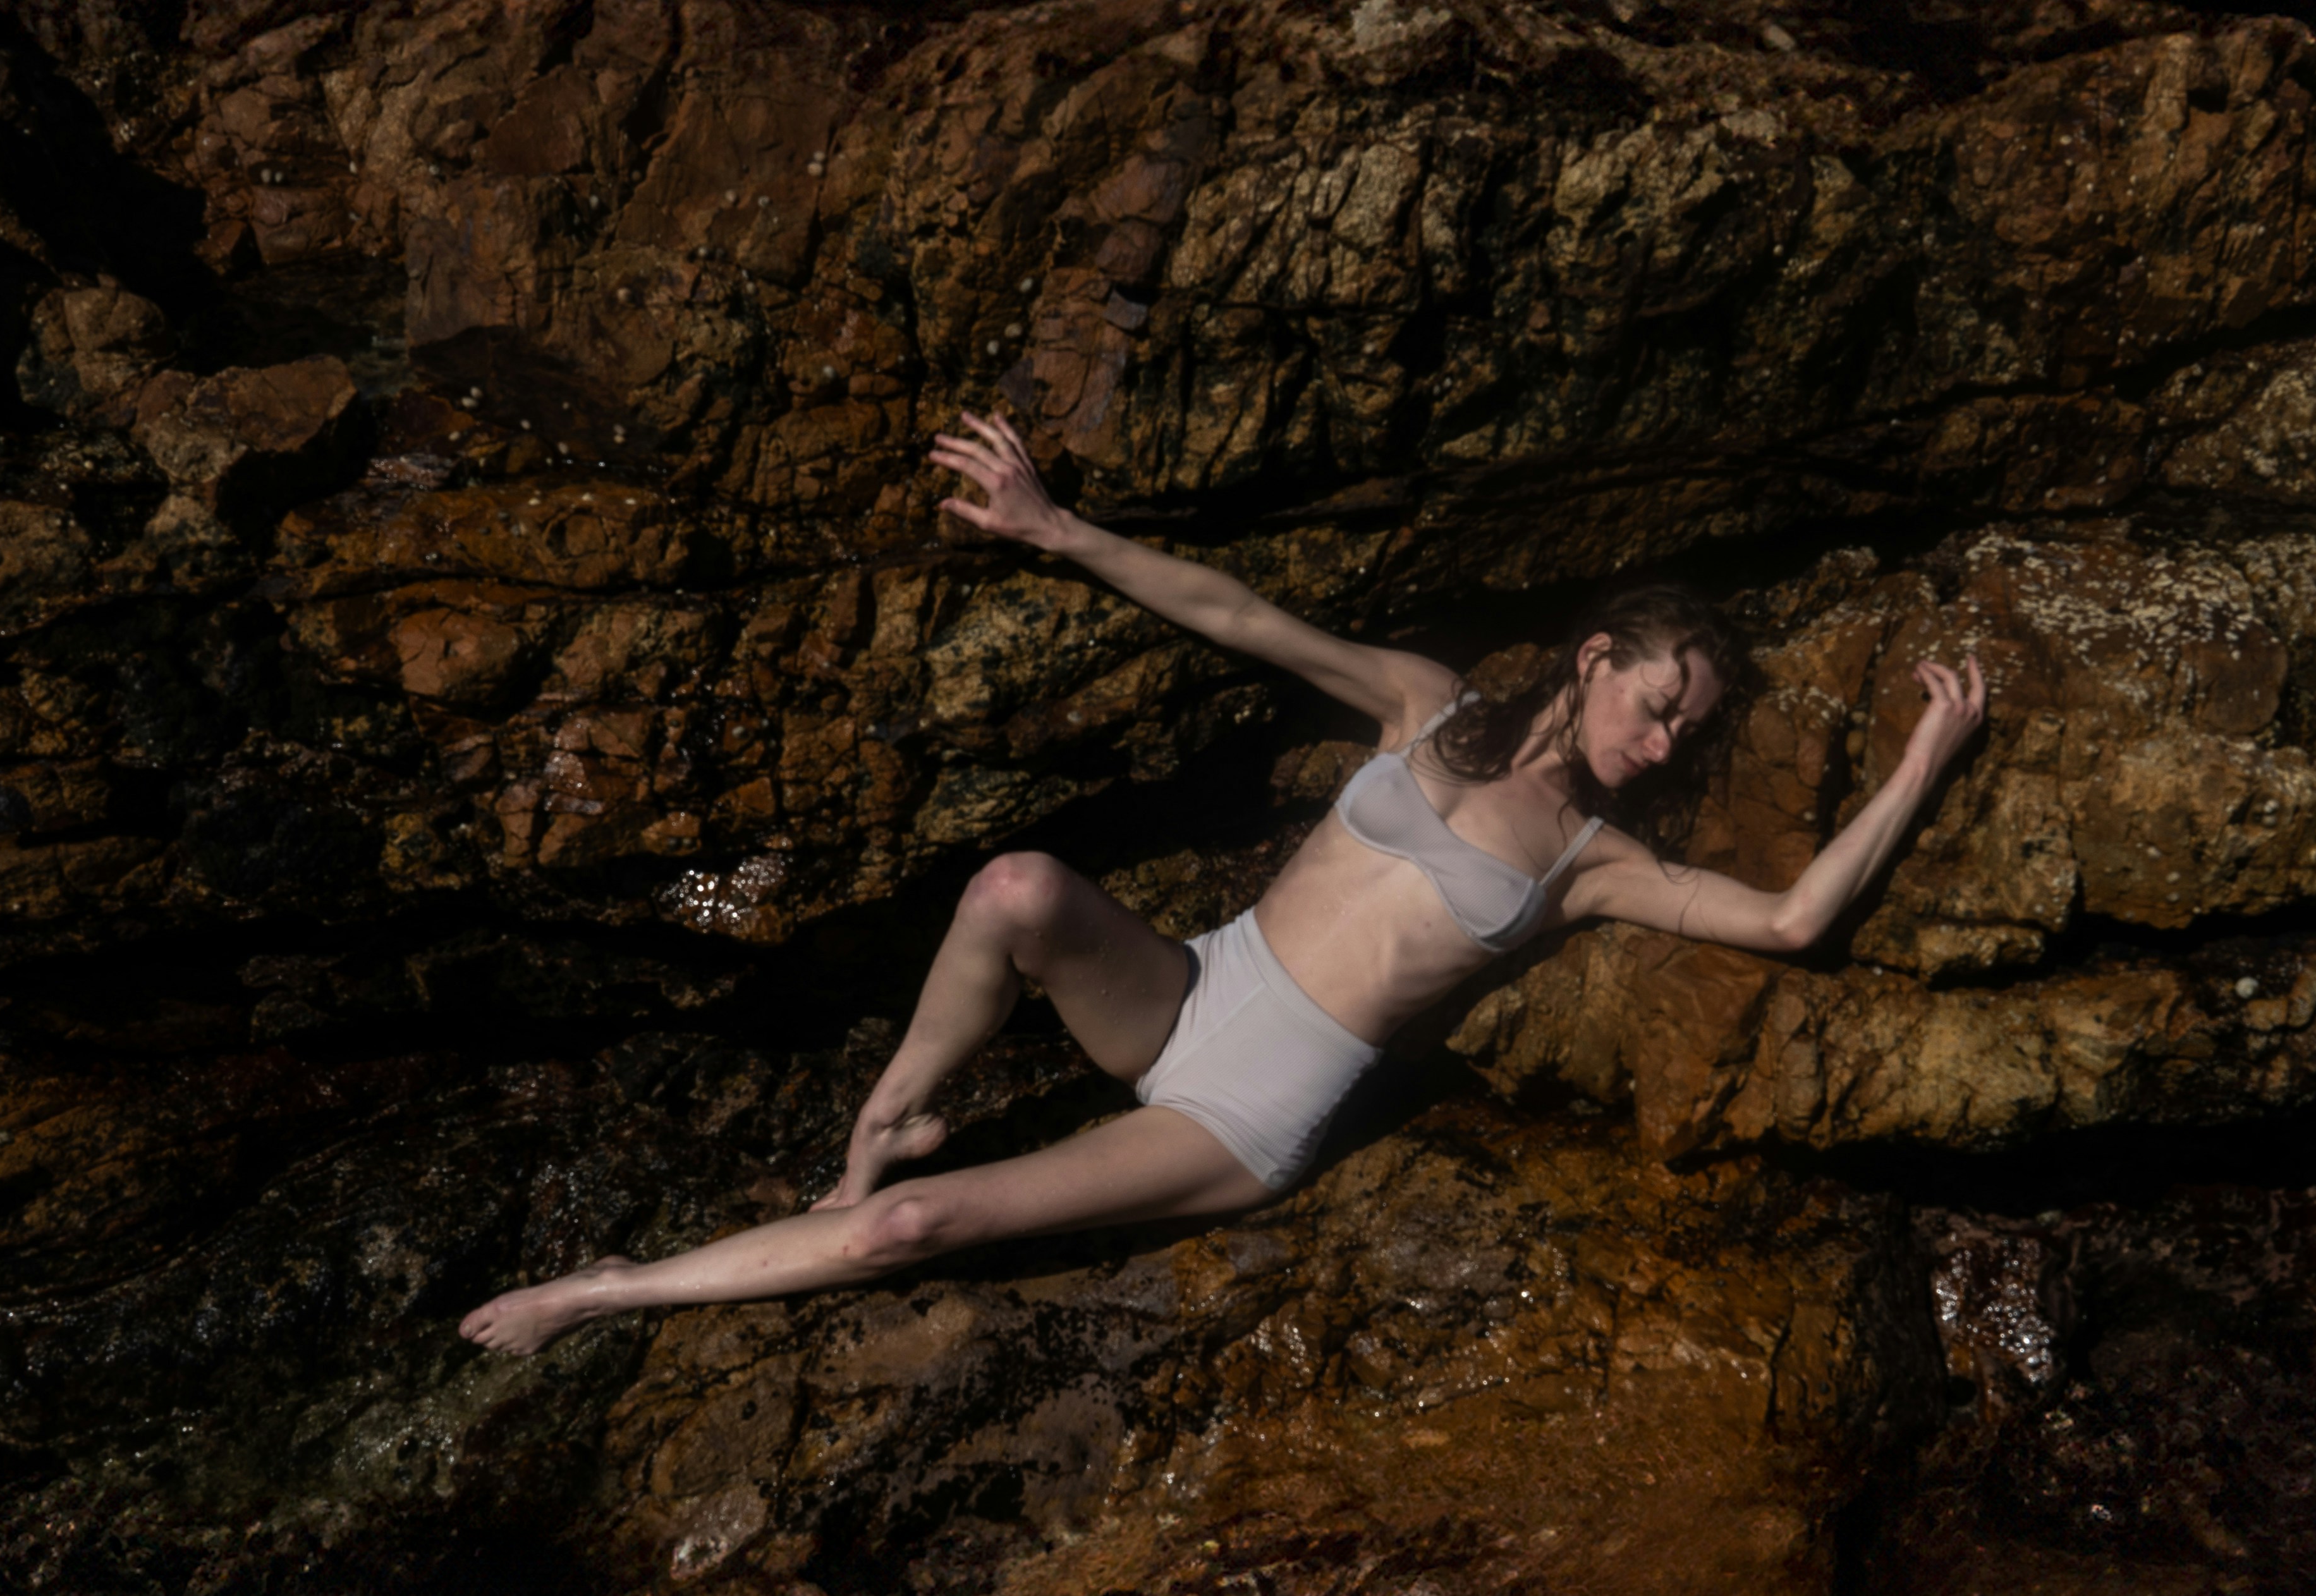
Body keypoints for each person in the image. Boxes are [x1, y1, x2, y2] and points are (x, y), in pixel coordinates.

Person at [460, 413, 1985, 1355]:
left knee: (903, 1238)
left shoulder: (1597, 869)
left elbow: (1794, 921)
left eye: (1684, 730)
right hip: (1194, 984)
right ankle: (887, 1116)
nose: (1659, 742)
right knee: (1013, 886)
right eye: (1656, 700)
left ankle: (608, 1289)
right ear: (1595, 656)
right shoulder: (1425, 703)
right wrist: (1055, 528)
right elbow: (1243, 616)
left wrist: (1925, 750)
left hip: (1247, 1114)